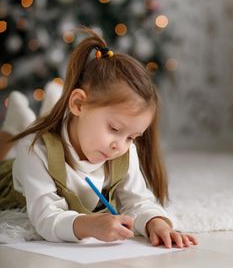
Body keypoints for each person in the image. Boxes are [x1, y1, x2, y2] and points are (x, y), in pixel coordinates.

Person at [0, 27, 198, 248]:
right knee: (13, 149)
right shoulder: (35, 148)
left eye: (132, 137)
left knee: (57, 127)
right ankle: (17, 125)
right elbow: (45, 217)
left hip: (70, 126)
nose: (120, 146)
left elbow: (137, 200)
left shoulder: (122, 149)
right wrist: (89, 225)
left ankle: (50, 108)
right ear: (78, 104)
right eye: (114, 128)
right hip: (12, 178)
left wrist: (157, 222)